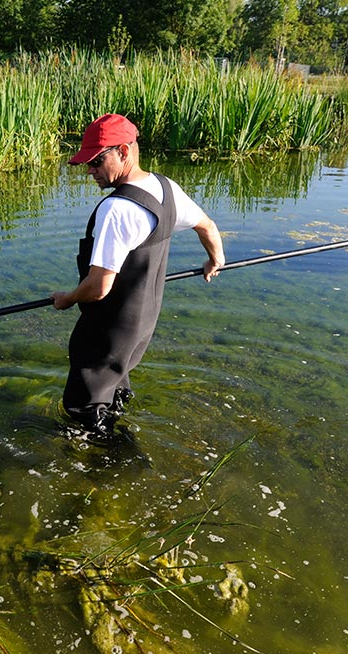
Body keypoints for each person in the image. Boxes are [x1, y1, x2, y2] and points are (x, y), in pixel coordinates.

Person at [51, 113, 225, 433]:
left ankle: (117, 465)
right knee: (115, 391)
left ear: (124, 151)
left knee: (82, 410)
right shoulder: (166, 188)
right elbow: (207, 226)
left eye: (96, 161)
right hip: (141, 326)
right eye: (86, 163)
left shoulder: (116, 210)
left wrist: (68, 298)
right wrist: (216, 259)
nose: (90, 171)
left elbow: (100, 286)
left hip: (106, 330)